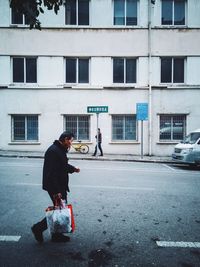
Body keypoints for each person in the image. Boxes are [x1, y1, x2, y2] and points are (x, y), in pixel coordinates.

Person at [31, 132, 80, 243]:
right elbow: (51, 173)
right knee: (59, 210)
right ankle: (38, 228)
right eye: (71, 140)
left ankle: (56, 235)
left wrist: (73, 169)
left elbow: (62, 166)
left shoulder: (59, 149)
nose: (71, 143)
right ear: (66, 139)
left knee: (59, 209)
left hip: (59, 185)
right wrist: (56, 191)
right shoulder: (53, 151)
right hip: (56, 186)